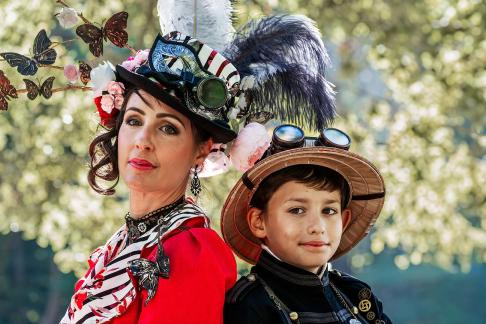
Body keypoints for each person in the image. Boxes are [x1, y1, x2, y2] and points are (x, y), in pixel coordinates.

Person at [60, 31, 242, 323]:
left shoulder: (189, 252)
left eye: (168, 128)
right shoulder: (118, 247)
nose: (142, 140)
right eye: (134, 121)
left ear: (201, 152)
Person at [221, 125, 392, 323]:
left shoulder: (357, 295)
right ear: (259, 222)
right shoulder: (249, 306)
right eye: (297, 210)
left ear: (344, 221)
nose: (317, 227)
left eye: (329, 211)